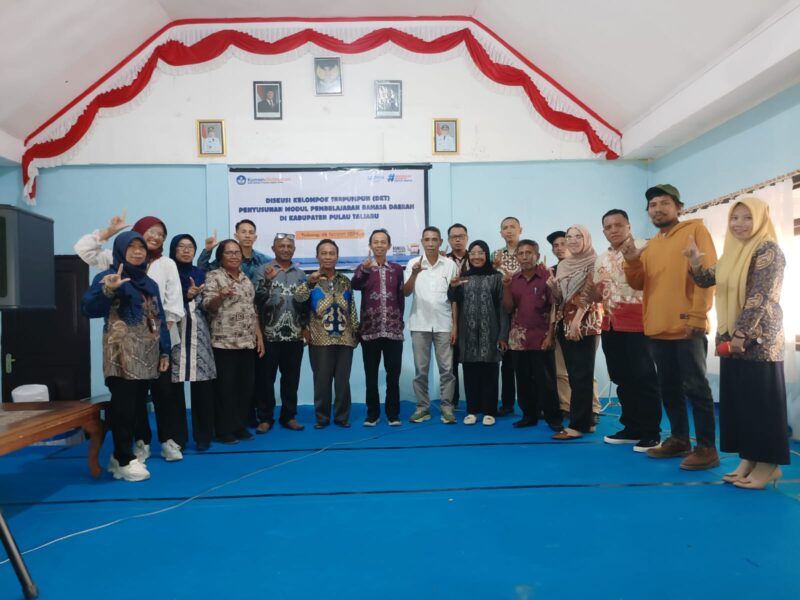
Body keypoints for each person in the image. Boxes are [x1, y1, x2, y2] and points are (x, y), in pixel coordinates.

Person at [685, 197, 788, 488]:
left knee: (762, 404)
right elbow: (706, 279)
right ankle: (749, 458)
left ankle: (768, 464)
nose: (739, 224)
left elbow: (761, 296)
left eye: (747, 217)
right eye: (734, 218)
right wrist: (694, 260)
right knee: (741, 404)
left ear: (761, 219)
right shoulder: (731, 252)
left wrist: (742, 334)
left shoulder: (768, 250)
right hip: (731, 338)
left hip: (759, 341)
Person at [622, 183, 719, 470]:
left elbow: (708, 276)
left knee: (696, 389)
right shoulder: (652, 245)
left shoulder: (695, 231)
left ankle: (707, 448)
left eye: (664, 203)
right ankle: (679, 439)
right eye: (652, 205)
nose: (658, 209)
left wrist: (698, 317)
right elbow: (639, 283)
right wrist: (631, 261)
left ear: (678, 207)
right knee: (669, 389)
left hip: (688, 326)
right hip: (657, 328)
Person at [74, 213, 186, 462]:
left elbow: (161, 315)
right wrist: (108, 289)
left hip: (151, 352)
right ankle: (126, 456)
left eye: (141, 248)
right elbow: (88, 308)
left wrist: (164, 349)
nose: (138, 251)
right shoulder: (110, 274)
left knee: (158, 398)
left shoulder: (150, 282)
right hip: (122, 357)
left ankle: (156, 444)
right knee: (127, 407)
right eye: (133, 246)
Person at [594, 210, 661, 452]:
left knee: (644, 378)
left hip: (638, 323)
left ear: (629, 226)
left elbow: (654, 283)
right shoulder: (601, 259)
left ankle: (651, 432)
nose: (613, 230)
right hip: (610, 324)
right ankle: (631, 428)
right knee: (621, 378)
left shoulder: (646, 249)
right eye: (608, 226)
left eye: (618, 225)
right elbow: (598, 293)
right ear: (603, 231)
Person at [203, 240, 265, 444]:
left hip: (246, 342)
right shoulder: (214, 276)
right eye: (229, 253)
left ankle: (239, 426)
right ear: (221, 256)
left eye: (237, 252)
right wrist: (221, 296)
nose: (234, 256)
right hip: (224, 342)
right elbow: (208, 306)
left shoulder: (246, 278)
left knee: (245, 387)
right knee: (225, 388)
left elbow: (252, 309)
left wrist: (258, 336)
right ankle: (223, 430)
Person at [295, 239, 359, 428]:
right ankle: (322, 418)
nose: (328, 257)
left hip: (345, 338)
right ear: (317, 257)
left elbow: (352, 308)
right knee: (321, 381)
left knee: (342, 381)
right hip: (319, 338)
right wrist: (309, 283)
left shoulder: (345, 280)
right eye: (324, 253)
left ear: (337, 257)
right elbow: (298, 298)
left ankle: (342, 417)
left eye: (332, 253)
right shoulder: (310, 280)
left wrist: (355, 331)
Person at [502, 239, 562, 431]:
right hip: (518, 339)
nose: (525, 257)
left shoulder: (547, 277)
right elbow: (509, 308)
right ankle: (529, 415)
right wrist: (506, 287)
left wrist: (550, 335)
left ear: (537, 255)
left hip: (541, 337)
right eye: (521, 253)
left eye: (529, 253)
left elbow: (554, 307)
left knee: (546, 380)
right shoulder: (513, 279)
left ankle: (553, 417)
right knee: (523, 380)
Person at [550, 225, 603, 440]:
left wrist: (577, 322)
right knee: (574, 374)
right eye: (569, 236)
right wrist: (553, 288)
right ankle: (587, 421)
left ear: (586, 239)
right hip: (565, 322)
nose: (572, 240)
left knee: (582, 374)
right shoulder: (564, 265)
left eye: (577, 236)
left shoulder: (594, 261)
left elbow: (590, 293)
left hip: (585, 324)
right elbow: (560, 298)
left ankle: (577, 425)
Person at [253, 233, 308, 432]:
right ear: (273, 248)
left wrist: (305, 327)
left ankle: (289, 416)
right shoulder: (262, 270)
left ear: (293, 249)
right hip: (269, 335)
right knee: (265, 380)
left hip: (294, 336)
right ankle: (265, 418)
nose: (285, 249)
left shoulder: (300, 274)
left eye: (289, 246)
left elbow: (304, 303)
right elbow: (255, 299)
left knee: (291, 379)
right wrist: (267, 282)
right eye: (281, 246)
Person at [448, 241, 508, 425]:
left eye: (480, 253)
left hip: (491, 332)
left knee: (490, 371)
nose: (476, 257)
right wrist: (453, 287)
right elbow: (453, 300)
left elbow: (503, 308)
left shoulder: (496, 277)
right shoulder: (463, 277)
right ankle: (472, 410)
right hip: (468, 333)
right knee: (470, 371)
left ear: (486, 255)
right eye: (473, 253)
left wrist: (503, 335)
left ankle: (490, 411)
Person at [404, 226, 459, 424]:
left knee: (447, 370)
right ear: (422, 242)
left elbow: (455, 298)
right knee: (421, 370)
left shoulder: (450, 265)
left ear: (440, 242)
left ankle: (447, 408)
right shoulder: (413, 263)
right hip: (419, 324)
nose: (430, 243)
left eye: (434, 239)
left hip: (444, 324)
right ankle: (422, 408)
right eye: (426, 239)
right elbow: (406, 292)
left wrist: (455, 326)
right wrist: (414, 274)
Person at [351, 229, 405, 426]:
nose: (379, 245)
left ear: (389, 246)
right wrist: (364, 270)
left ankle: (393, 414)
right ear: (370, 245)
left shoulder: (397, 269)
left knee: (393, 375)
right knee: (371, 375)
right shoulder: (364, 267)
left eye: (383, 242)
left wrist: (399, 322)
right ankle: (372, 414)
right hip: (369, 330)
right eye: (376, 242)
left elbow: (400, 297)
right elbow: (355, 285)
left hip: (393, 330)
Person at [169, 234, 217, 451]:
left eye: (190, 247)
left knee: (203, 387)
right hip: (175, 333)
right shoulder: (168, 272)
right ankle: (177, 437)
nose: (186, 250)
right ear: (173, 249)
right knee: (174, 389)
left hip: (199, 333)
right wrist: (184, 294)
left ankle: (203, 436)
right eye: (181, 246)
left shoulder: (200, 273)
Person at [493, 217, 522, 417]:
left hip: (525, 310)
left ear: (520, 229)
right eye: (505, 228)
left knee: (527, 364)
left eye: (513, 227)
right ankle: (507, 403)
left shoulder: (527, 251)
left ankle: (533, 405)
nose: (509, 230)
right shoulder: (495, 255)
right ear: (501, 232)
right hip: (503, 312)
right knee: (507, 362)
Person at [199, 219, 271, 281]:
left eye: (251, 232)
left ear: (255, 237)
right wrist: (208, 250)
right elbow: (203, 270)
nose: (247, 236)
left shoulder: (264, 260)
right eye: (243, 232)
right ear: (236, 236)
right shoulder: (227, 259)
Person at [446, 223, 470, 408]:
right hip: (449, 316)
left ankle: (474, 402)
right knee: (451, 362)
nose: (458, 240)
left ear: (467, 238)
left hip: (473, 316)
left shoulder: (477, 258)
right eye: (454, 237)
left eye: (461, 236)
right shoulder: (443, 261)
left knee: (471, 361)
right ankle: (452, 401)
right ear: (448, 240)